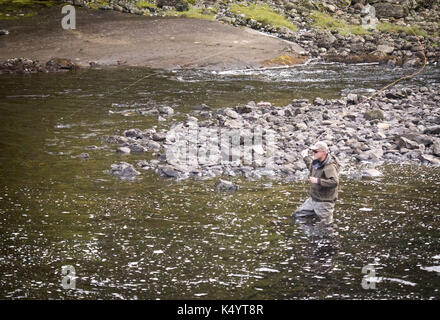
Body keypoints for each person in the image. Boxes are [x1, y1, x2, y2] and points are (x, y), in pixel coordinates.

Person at [293, 141, 339, 224]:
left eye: (316, 151)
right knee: (298, 215)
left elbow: (334, 182)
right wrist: (305, 157)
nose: (313, 153)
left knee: (326, 226)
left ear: (323, 152)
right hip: (313, 199)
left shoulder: (330, 166)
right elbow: (311, 166)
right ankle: (311, 229)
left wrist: (317, 181)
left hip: (324, 203)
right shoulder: (317, 162)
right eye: (313, 151)